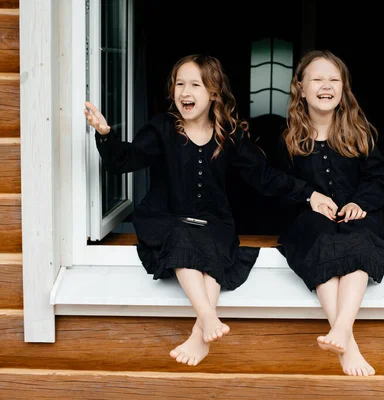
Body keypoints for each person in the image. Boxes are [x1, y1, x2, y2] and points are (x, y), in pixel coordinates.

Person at [84, 54, 337, 367]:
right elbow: (126, 160)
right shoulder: (162, 128)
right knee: (182, 236)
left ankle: (198, 335)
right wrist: (106, 135)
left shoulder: (229, 134)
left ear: (213, 93)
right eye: (179, 84)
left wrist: (309, 194)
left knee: (215, 241)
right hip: (167, 218)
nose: (185, 92)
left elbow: (264, 176)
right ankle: (207, 317)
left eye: (195, 85)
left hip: (213, 220)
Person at [276, 50, 384, 376]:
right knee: (321, 239)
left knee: (360, 241)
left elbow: (378, 179)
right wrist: (308, 200)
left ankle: (340, 330)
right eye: (317, 79)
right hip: (309, 218)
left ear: (343, 89)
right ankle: (349, 343)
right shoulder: (287, 137)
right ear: (300, 88)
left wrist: (359, 202)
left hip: (358, 213)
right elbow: (278, 184)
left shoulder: (360, 132)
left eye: (334, 79)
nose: (326, 85)